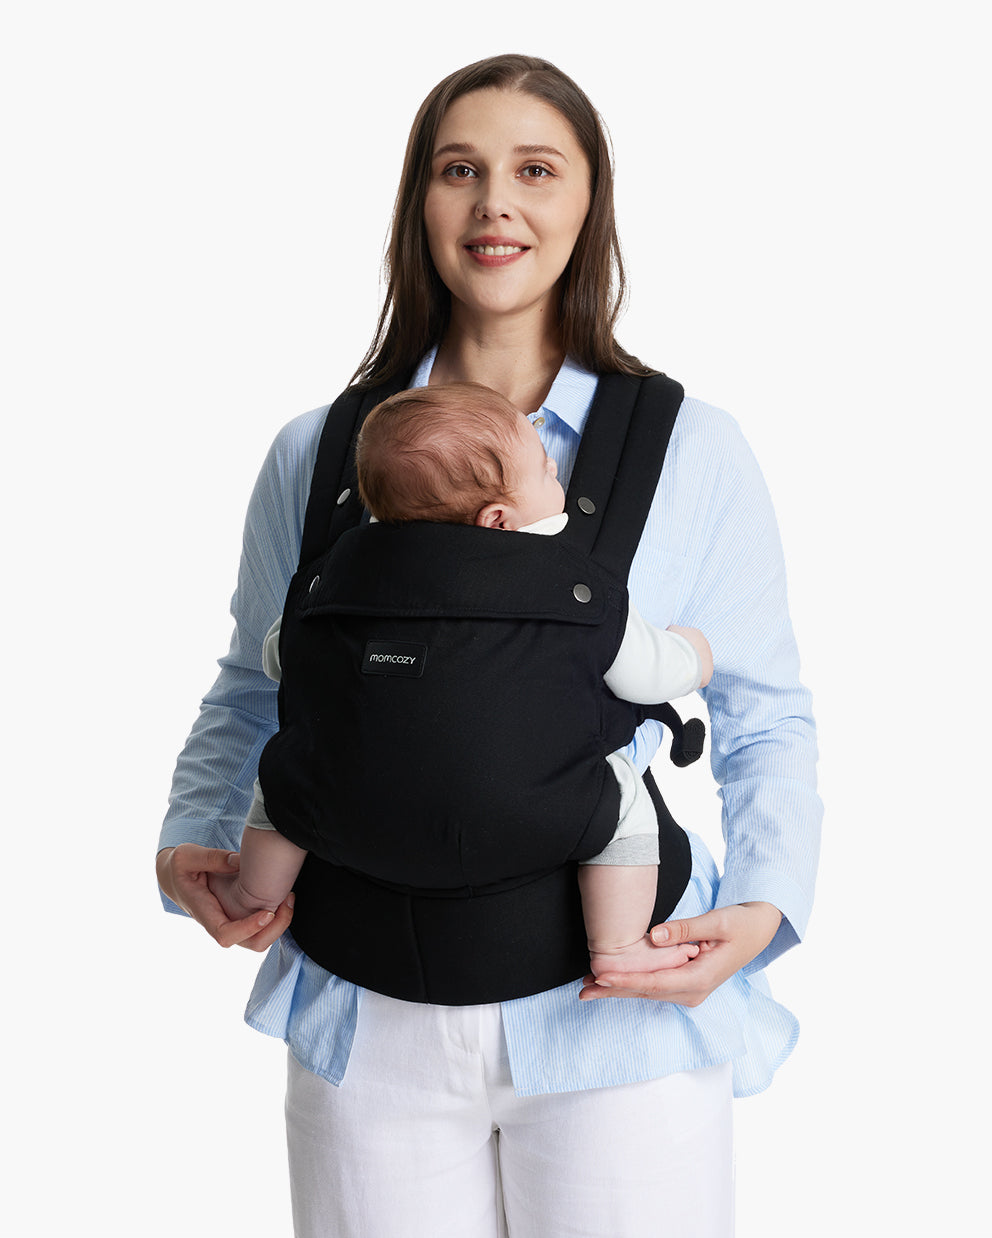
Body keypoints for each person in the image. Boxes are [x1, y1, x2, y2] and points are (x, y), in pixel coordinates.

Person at [157, 53, 820, 1238]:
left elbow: (764, 713)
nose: (494, 203)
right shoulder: (319, 449)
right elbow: (256, 686)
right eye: (458, 169)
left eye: (534, 170)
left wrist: (767, 904)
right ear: (419, 200)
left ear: (588, 200)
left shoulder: (693, 448)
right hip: (367, 1015)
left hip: (620, 1020)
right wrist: (193, 834)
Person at [207, 380, 713, 979]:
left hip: (351, 813)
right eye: (546, 468)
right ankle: (619, 947)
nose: (558, 473)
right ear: (497, 520)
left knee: (286, 783)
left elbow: (278, 658)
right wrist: (693, 653)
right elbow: (651, 675)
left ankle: (254, 896)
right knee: (625, 801)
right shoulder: (572, 590)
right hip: (527, 815)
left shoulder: (337, 577)